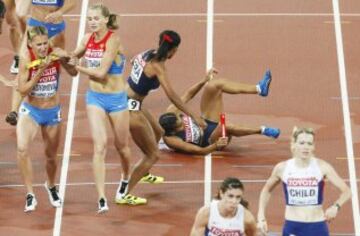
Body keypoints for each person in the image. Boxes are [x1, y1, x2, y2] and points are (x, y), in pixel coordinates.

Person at [114, 30, 207, 205]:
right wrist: (194, 116)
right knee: (153, 155)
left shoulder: (148, 53)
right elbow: (172, 96)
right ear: (173, 50)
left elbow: (134, 60)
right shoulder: (158, 66)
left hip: (130, 102)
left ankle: (143, 171)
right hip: (129, 109)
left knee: (158, 131)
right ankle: (122, 193)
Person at [69, 3, 133, 213]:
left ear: (106, 20)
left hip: (116, 99)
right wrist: (61, 57)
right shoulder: (86, 39)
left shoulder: (113, 40)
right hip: (95, 97)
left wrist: (75, 65)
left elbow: (101, 72)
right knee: (100, 146)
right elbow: (73, 60)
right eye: (90, 19)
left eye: (96, 18)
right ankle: (102, 198)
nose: (92, 22)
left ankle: (125, 177)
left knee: (122, 147)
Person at [16, 25, 77, 212]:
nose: (43, 48)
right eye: (39, 45)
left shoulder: (55, 52)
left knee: (51, 157)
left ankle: (50, 185)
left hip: (52, 112)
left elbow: (74, 73)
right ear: (30, 44)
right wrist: (41, 70)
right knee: (22, 148)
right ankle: (29, 194)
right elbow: (22, 89)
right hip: (32, 110)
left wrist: (66, 61)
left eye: (45, 43)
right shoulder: (26, 58)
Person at [158, 69, 280, 155]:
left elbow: (188, 95)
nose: (183, 123)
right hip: (211, 140)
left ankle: (259, 89)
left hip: (207, 120)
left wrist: (203, 80)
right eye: (181, 125)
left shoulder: (171, 112)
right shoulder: (172, 140)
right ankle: (263, 130)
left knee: (214, 85)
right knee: (225, 126)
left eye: (181, 118)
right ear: (173, 130)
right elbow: (198, 151)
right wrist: (215, 146)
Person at [257, 127, 352, 236]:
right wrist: (261, 216)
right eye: (302, 143)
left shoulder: (322, 167)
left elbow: (346, 191)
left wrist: (336, 206)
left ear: (313, 146)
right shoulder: (282, 168)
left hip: (317, 226)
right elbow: (267, 190)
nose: (306, 147)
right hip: (293, 226)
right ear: (294, 144)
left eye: (309, 143)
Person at [5, 0, 75, 126]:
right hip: (34, 26)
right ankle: (14, 112)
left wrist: (60, 12)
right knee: (23, 67)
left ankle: (50, 104)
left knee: (55, 64)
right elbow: (21, 12)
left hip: (55, 28)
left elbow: (72, 3)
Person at [190, 177, 257, 236]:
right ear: (221, 193)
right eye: (230, 196)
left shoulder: (247, 218)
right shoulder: (206, 213)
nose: (234, 201)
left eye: (238, 197)